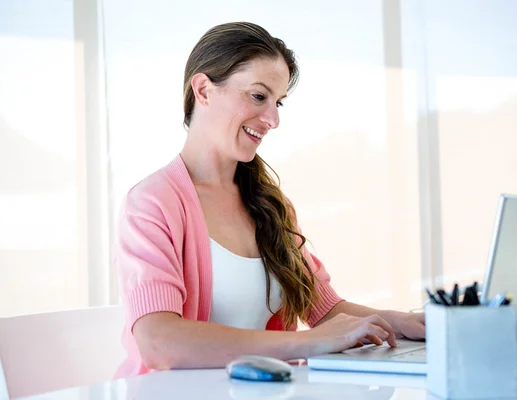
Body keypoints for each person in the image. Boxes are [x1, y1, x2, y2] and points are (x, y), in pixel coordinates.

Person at [114, 21, 425, 378]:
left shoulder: (270, 204)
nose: (273, 119)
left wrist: (405, 323)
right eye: (259, 96)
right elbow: (159, 342)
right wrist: (307, 344)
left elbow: (323, 310)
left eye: (278, 102)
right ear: (203, 90)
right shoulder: (152, 204)